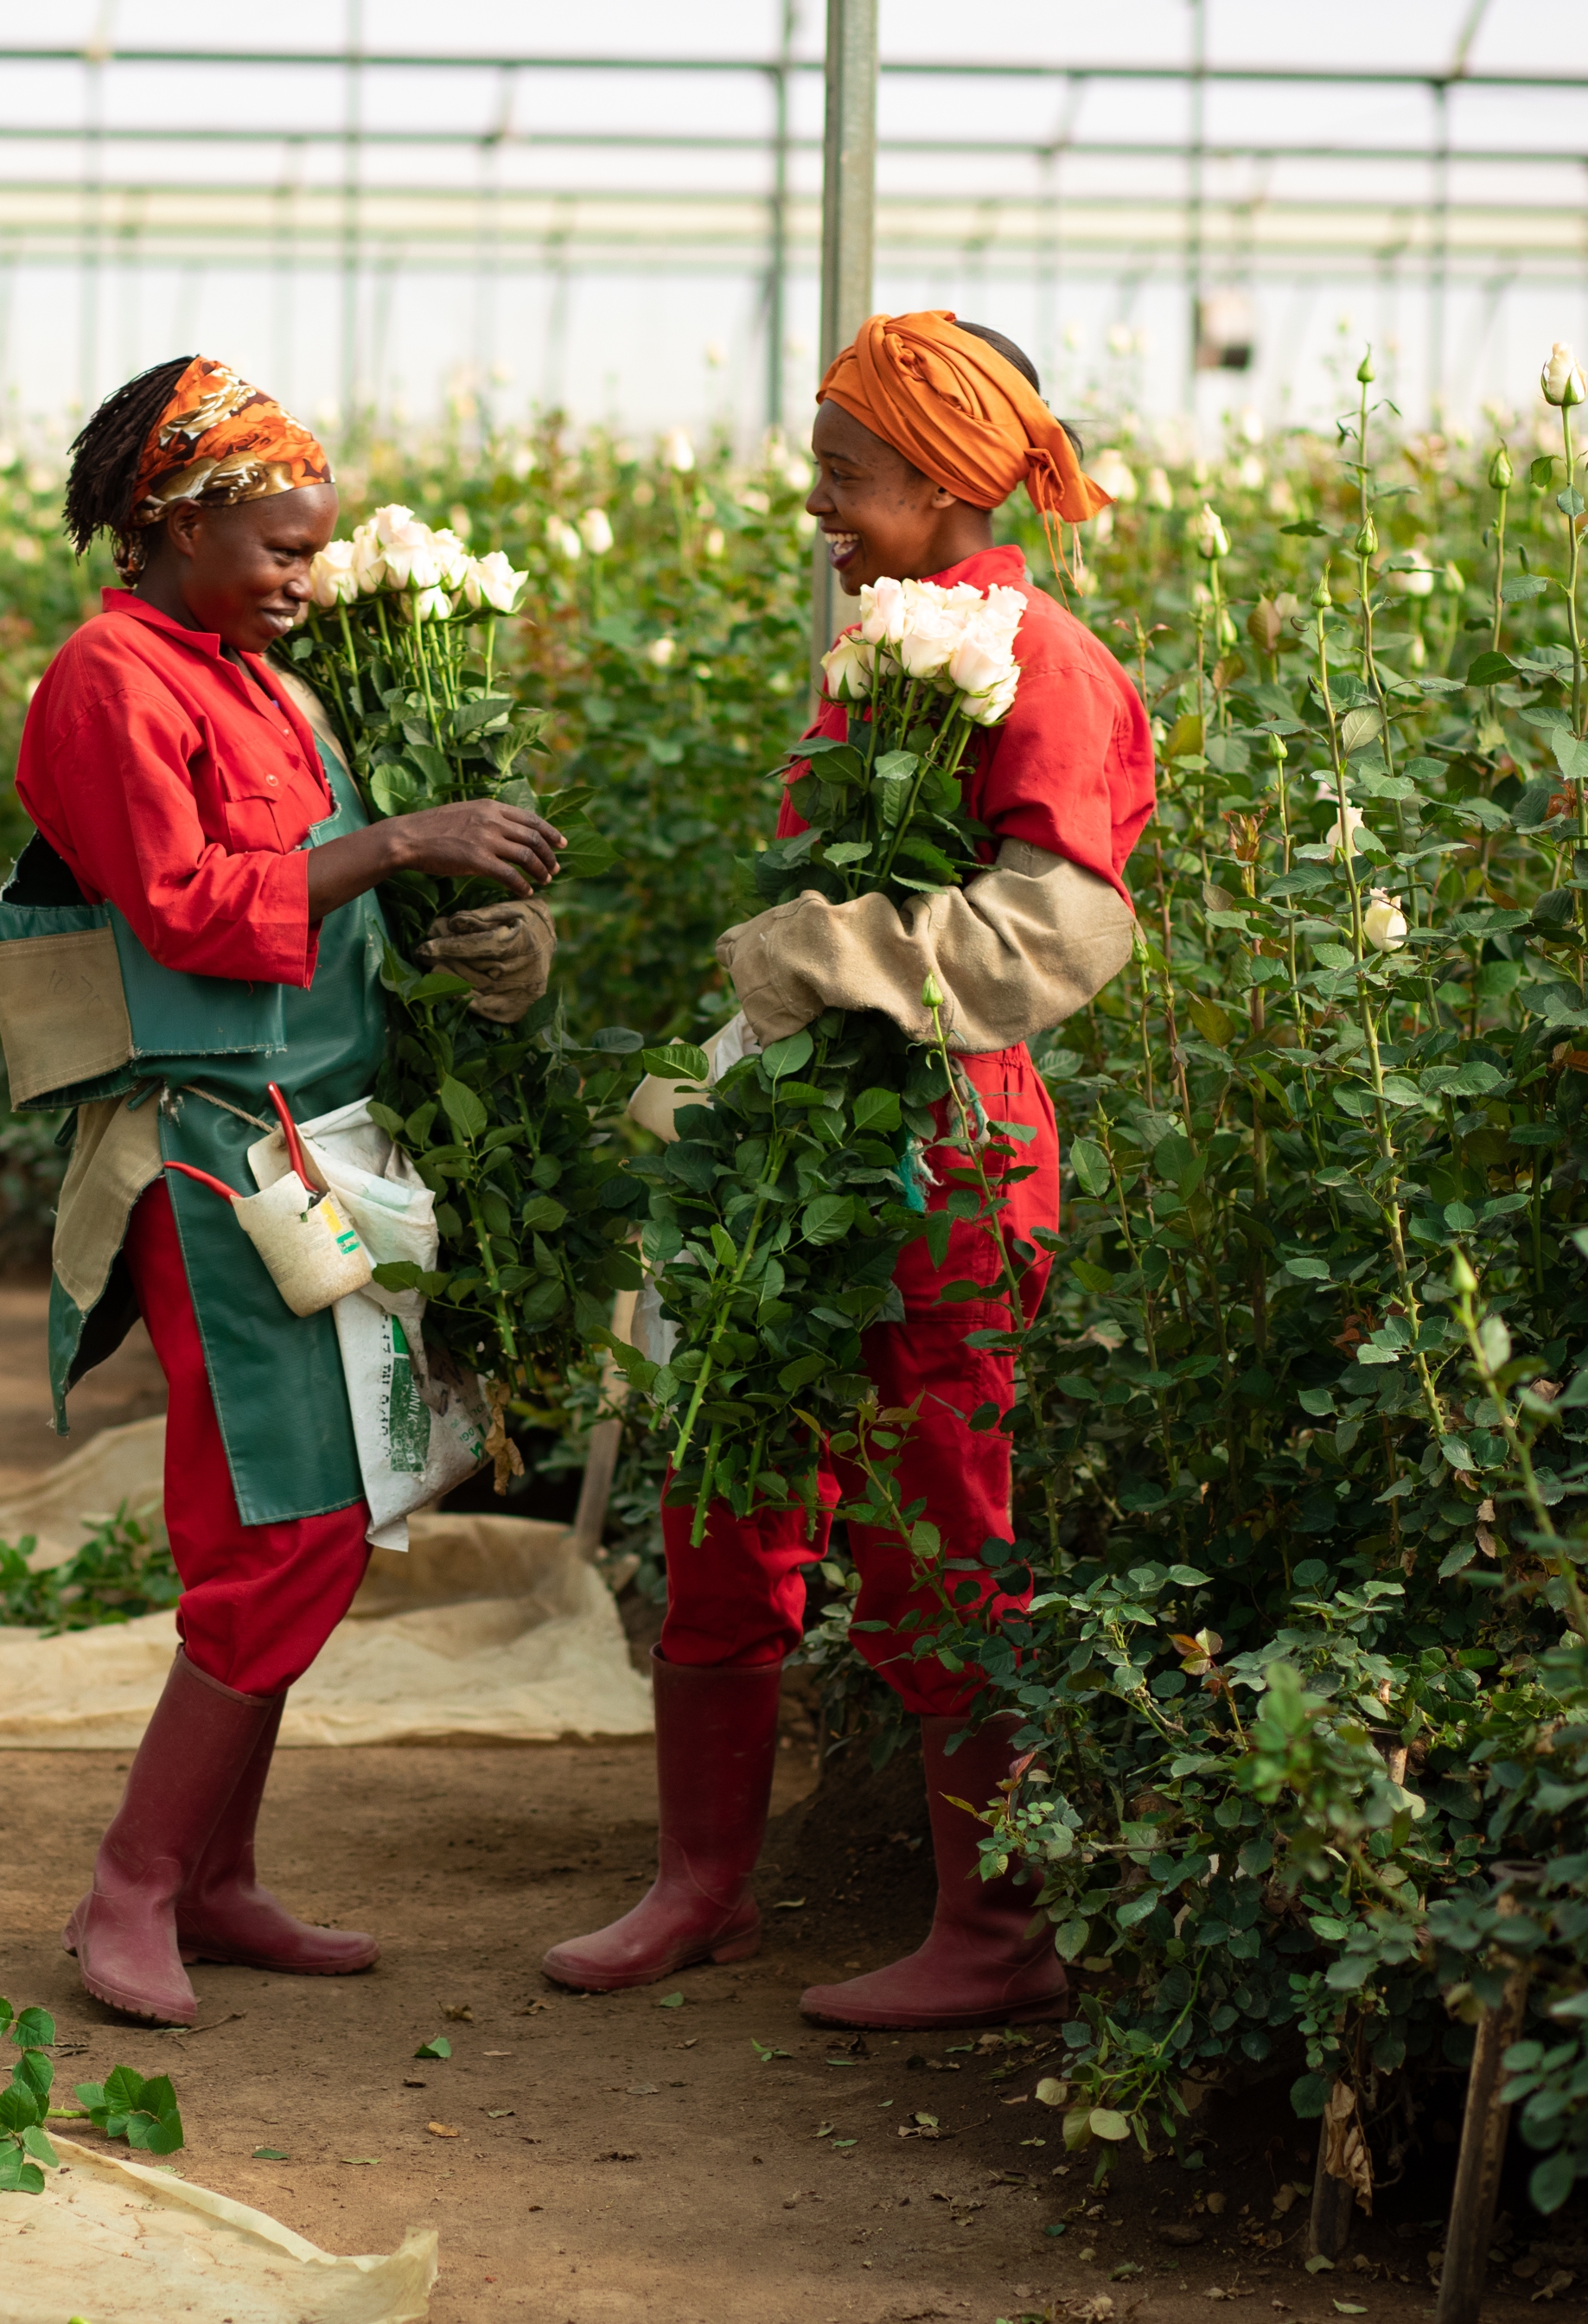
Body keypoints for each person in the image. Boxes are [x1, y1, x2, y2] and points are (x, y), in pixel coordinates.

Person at [545, 312, 1153, 2029]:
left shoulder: (1046, 659)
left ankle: (997, 1928)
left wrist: (833, 959)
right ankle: (700, 1888)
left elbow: (1065, 925)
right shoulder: (895, 641)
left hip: (942, 1154)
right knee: (725, 1490)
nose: (819, 505)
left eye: (847, 474)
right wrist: (726, 1059)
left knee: (930, 1532)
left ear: (953, 470)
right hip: (803, 1150)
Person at [0, 355, 563, 2027]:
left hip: (323, 1140)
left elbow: (336, 912)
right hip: (212, 1151)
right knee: (281, 1523)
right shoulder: (108, 681)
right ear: (173, 525)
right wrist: (398, 846)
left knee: (320, 1509)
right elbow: (183, 910)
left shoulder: (264, 680)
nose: (309, 582)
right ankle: (135, 1888)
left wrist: (486, 943)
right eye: (281, 553)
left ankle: (221, 1880)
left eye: (317, 552)